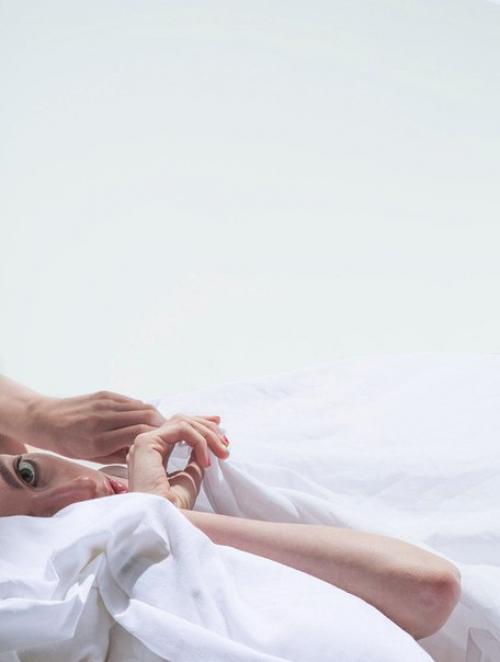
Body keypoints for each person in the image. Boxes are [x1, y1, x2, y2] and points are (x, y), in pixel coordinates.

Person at [0, 374, 461, 641]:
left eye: (28, 472)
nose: (84, 489)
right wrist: (161, 517)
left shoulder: (135, 450)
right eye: (50, 524)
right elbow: (428, 588)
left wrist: (37, 414)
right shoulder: (133, 581)